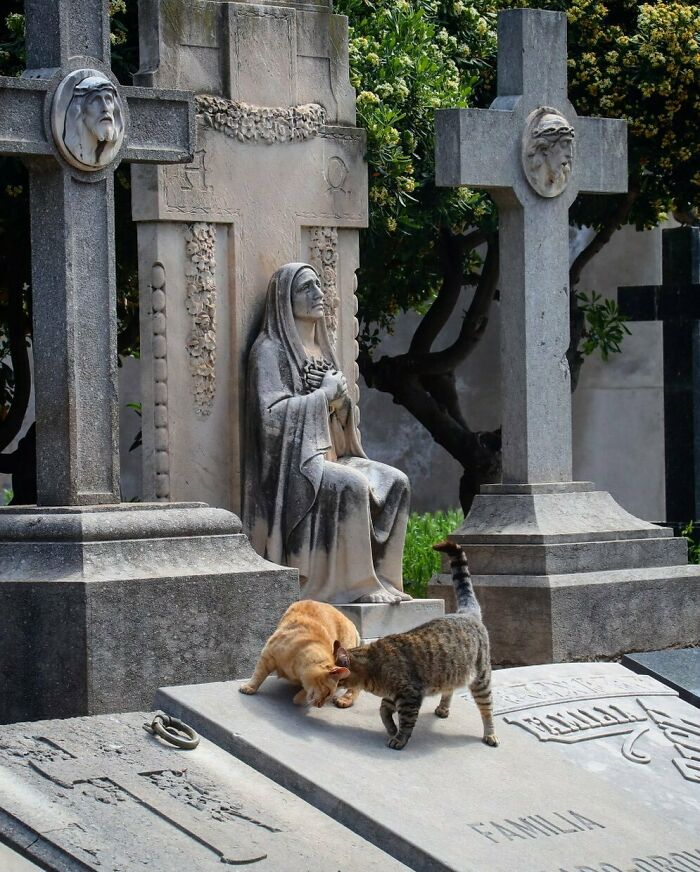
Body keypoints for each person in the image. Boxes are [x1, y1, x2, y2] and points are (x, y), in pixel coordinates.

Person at [244, 263, 411, 604]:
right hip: (294, 469)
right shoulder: (269, 350)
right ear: (284, 301)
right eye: (307, 288)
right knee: (352, 485)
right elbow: (269, 418)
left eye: (319, 286)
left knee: (396, 482)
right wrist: (322, 396)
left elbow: (342, 418)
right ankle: (359, 586)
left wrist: (339, 402)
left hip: (331, 454)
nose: (319, 294)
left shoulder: (322, 348)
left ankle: (387, 579)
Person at [63, 75, 124, 168]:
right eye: (96, 100)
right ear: (81, 111)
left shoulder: (110, 151)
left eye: (108, 100)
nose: (105, 108)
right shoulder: (77, 150)